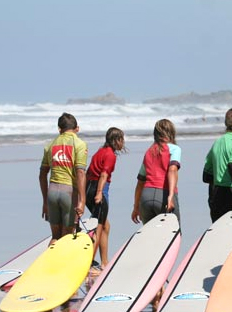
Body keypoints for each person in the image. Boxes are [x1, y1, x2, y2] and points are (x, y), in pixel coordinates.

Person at [39, 113, 88, 244]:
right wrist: (82, 201)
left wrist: (45, 201)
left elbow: (42, 174)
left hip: (52, 192)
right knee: (67, 237)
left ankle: (50, 262)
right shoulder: (80, 144)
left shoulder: (49, 145)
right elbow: (80, 173)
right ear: (77, 128)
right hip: (69, 193)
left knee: (55, 236)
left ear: (59, 129)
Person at [86, 127, 125, 267]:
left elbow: (88, 172)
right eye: (122, 139)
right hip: (99, 189)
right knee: (99, 227)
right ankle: (89, 262)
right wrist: (99, 193)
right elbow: (104, 174)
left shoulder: (99, 152)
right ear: (116, 140)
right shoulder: (110, 155)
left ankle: (104, 262)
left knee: (105, 226)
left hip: (89, 187)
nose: (123, 143)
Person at [203, 108, 232, 222]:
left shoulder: (217, 143)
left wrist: (221, 177)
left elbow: (206, 176)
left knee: (220, 233)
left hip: (217, 195)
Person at [131, 119, 181, 225]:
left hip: (145, 198)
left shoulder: (149, 152)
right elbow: (172, 170)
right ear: (171, 133)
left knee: (150, 237)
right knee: (173, 234)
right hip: (163, 194)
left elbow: (140, 182)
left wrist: (136, 207)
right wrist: (170, 197)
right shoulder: (174, 149)